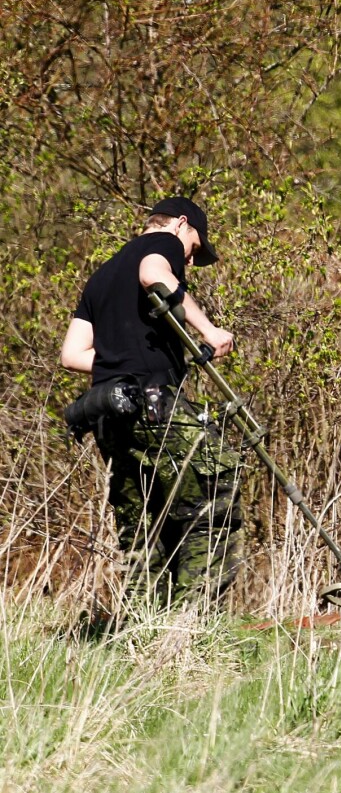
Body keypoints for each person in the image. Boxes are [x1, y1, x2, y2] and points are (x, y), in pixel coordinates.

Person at [60, 197, 243, 608]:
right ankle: (191, 627)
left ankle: (145, 627)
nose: (191, 261)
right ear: (181, 225)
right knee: (212, 507)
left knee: (142, 524)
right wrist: (210, 331)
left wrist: (122, 363)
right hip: (155, 407)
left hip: (111, 413)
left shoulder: (102, 275)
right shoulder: (161, 246)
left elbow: (72, 355)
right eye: (195, 247)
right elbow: (151, 274)